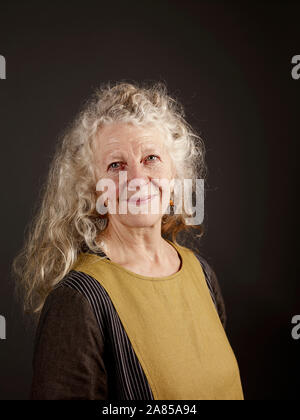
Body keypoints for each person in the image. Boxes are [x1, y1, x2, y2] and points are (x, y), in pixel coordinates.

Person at [12, 81, 244, 400]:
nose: (137, 179)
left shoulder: (201, 274)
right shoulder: (78, 301)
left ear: (174, 173)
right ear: (92, 187)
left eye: (150, 158)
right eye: (116, 165)